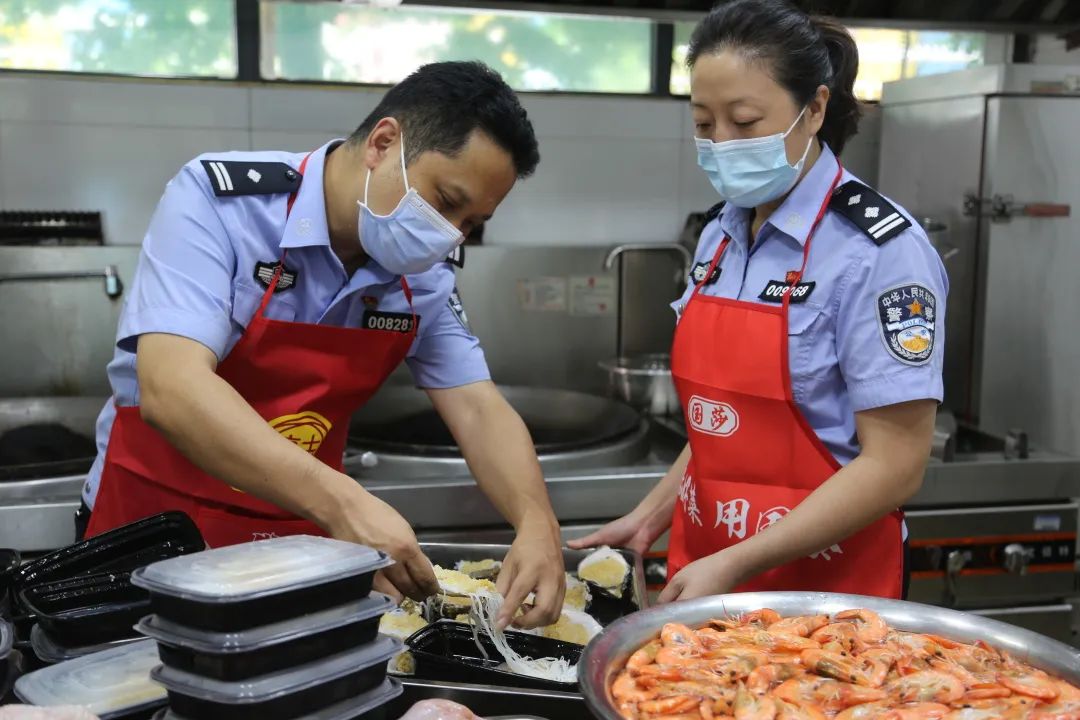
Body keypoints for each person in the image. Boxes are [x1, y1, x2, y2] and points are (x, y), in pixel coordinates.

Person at [81, 61, 565, 629]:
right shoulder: (222, 204)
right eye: (445, 200)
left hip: (298, 547)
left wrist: (539, 525)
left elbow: (479, 407)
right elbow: (172, 388)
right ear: (383, 143)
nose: (450, 234)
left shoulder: (423, 276)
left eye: (471, 222)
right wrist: (344, 503)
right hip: (149, 534)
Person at [571, 0, 947, 602]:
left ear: (815, 108)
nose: (720, 143)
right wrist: (649, 518)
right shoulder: (721, 235)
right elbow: (723, 425)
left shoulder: (877, 252)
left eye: (743, 122)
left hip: (826, 599)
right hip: (707, 573)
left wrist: (738, 564)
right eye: (702, 123)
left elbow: (895, 465)